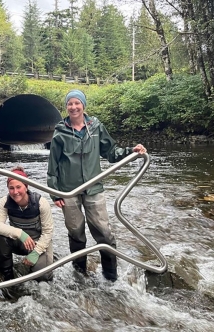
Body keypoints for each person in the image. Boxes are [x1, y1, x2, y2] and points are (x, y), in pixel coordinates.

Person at [47, 89, 147, 282]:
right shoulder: (60, 132)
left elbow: (110, 152)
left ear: (83, 105)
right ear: (66, 107)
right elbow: (53, 165)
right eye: (70, 104)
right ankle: (80, 273)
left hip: (94, 189)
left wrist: (131, 151)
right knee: (76, 233)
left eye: (77, 103)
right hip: (69, 191)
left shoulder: (96, 127)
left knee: (104, 233)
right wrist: (55, 193)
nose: (74, 107)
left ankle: (111, 277)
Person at [0, 166, 54, 282]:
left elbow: (48, 232)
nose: (15, 192)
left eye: (18, 187)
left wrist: (36, 252)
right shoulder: (4, 202)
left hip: (38, 243)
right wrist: (20, 233)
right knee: (0, 238)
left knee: (43, 277)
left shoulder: (41, 203)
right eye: (11, 188)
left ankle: (41, 262)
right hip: (19, 241)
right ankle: (7, 277)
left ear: (26, 187)